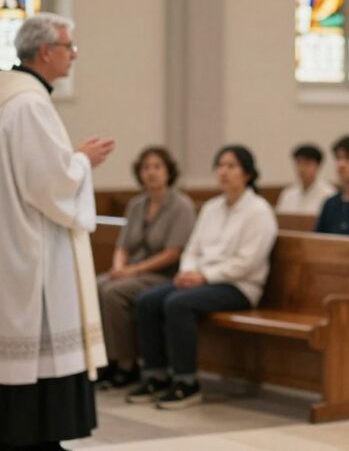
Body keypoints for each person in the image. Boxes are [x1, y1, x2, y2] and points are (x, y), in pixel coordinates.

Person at [0, 12, 116, 450]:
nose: (74, 55)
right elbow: (50, 185)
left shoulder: (7, 101)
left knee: (25, 360)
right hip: (33, 258)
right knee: (37, 356)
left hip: (15, 251)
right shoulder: (28, 105)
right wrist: (83, 159)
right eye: (69, 47)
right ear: (45, 51)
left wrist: (74, 160)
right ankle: (37, 441)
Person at [128, 145, 277, 409]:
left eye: (231, 166)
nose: (224, 171)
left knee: (177, 304)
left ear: (248, 174)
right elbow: (192, 247)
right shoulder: (212, 207)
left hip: (238, 286)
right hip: (199, 280)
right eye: (220, 165)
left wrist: (204, 276)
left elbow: (246, 262)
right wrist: (188, 271)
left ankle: (187, 382)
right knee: (147, 300)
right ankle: (156, 375)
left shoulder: (259, 211)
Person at [96, 146, 196, 389]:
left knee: (113, 292)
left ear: (168, 172)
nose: (151, 172)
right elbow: (123, 245)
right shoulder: (136, 205)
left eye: (157, 167)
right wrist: (118, 267)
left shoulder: (181, 205)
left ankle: (127, 363)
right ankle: (104, 359)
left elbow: (173, 253)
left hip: (162, 275)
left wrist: (131, 271)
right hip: (133, 271)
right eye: (145, 167)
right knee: (95, 286)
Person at [275, 143, 335, 216]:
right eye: (298, 163)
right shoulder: (288, 194)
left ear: (318, 166)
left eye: (307, 164)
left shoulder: (329, 195)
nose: (302, 168)